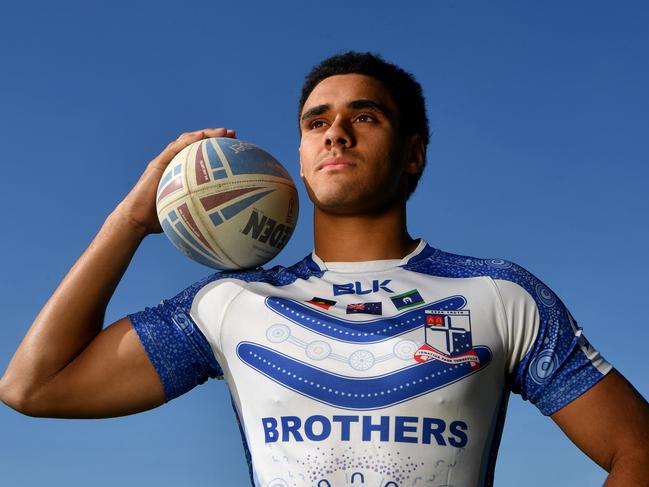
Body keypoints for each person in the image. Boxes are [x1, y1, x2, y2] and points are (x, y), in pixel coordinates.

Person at [1, 52, 648, 487]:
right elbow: (35, 386)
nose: (335, 132)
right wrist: (133, 218)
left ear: (412, 152)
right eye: (317, 122)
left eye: (364, 116)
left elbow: (636, 447)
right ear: (301, 156)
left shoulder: (497, 294)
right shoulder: (232, 302)